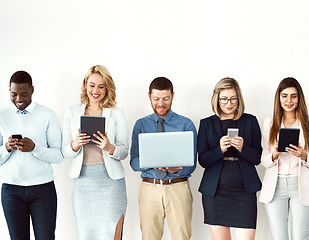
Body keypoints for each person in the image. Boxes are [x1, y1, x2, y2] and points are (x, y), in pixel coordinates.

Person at [0, 71, 63, 240]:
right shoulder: (0, 117)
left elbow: (58, 155)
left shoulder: (47, 115)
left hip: (43, 190)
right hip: (11, 191)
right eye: (14, 94)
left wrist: (35, 148)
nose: (19, 99)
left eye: (24, 94)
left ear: (32, 90)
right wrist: (6, 148)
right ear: (9, 91)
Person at [62, 65, 128, 240]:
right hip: (83, 184)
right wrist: (75, 144)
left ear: (107, 87)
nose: (96, 90)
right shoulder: (71, 112)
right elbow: (65, 152)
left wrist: (109, 147)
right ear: (85, 84)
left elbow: (124, 151)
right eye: (92, 85)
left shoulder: (116, 113)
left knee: (112, 233)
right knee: (86, 235)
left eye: (101, 86)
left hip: (111, 184)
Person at [130, 77, 197, 240]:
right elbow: (133, 162)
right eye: (156, 99)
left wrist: (176, 170)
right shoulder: (141, 124)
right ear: (149, 96)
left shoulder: (186, 124)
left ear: (173, 96)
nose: (161, 103)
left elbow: (192, 163)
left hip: (178, 186)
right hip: (149, 188)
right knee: (149, 237)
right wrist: (150, 162)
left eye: (166, 98)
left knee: (182, 236)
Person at [197, 77, 262, 240]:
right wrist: (219, 149)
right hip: (215, 193)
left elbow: (257, 158)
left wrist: (243, 148)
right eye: (224, 99)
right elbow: (203, 161)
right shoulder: (206, 124)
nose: (229, 103)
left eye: (233, 98)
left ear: (239, 99)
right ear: (217, 99)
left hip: (244, 193)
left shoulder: (250, 121)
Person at [259, 77, 309, 240]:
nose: (289, 100)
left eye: (293, 96)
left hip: (300, 185)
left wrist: (303, 155)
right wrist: (274, 155)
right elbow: (263, 160)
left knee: (300, 237)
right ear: (278, 98)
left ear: (299, 98)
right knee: (279, 237)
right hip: (275, 186)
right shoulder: (269, 123)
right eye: (284, 95)